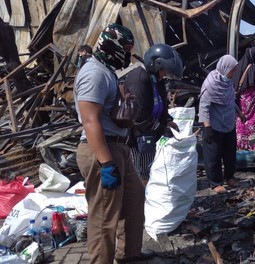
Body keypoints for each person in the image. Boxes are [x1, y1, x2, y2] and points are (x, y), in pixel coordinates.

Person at [74, 23, 154, 263]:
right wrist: (106, 162)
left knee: (134, 198)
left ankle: (129, 254)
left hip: (118, 146)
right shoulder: (94, 72)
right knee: (104, 216)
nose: (128, 53)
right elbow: (89, 120)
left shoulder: (106, 71)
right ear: (113, 44)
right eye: (126, 47)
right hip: (102, 150)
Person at [125, 44, 183, 185]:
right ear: (155, 64)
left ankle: (147, 197)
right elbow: (138, 114)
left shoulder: (157, 80)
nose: (165, 74)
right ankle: (142, 201)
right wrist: (161, 127)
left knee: (149, 168)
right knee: (141, 170)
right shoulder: (139, 80)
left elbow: (161, 103)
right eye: (164, 70)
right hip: (137, 134)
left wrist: (167, 120)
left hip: (149, 132)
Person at [199, 55, 245, 193]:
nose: (234, 73)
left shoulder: (228, 83)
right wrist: (207, 127)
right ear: (225, 68)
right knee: (214, 155)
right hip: (214, 125)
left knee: (230, 153)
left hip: (229, 123)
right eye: (233, 70)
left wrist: (240, 113)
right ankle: (215, 182)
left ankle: (229, 177)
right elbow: (204, 106)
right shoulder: (211, 84)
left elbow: (231, 100)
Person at [233, 47, 255, 151]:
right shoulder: (254, 69)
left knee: (241, 120)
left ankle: (241, 144)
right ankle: (254, 145)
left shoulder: (238, 66)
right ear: (254, 57)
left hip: (240, 101)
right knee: (254, 121)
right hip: (251, 102)